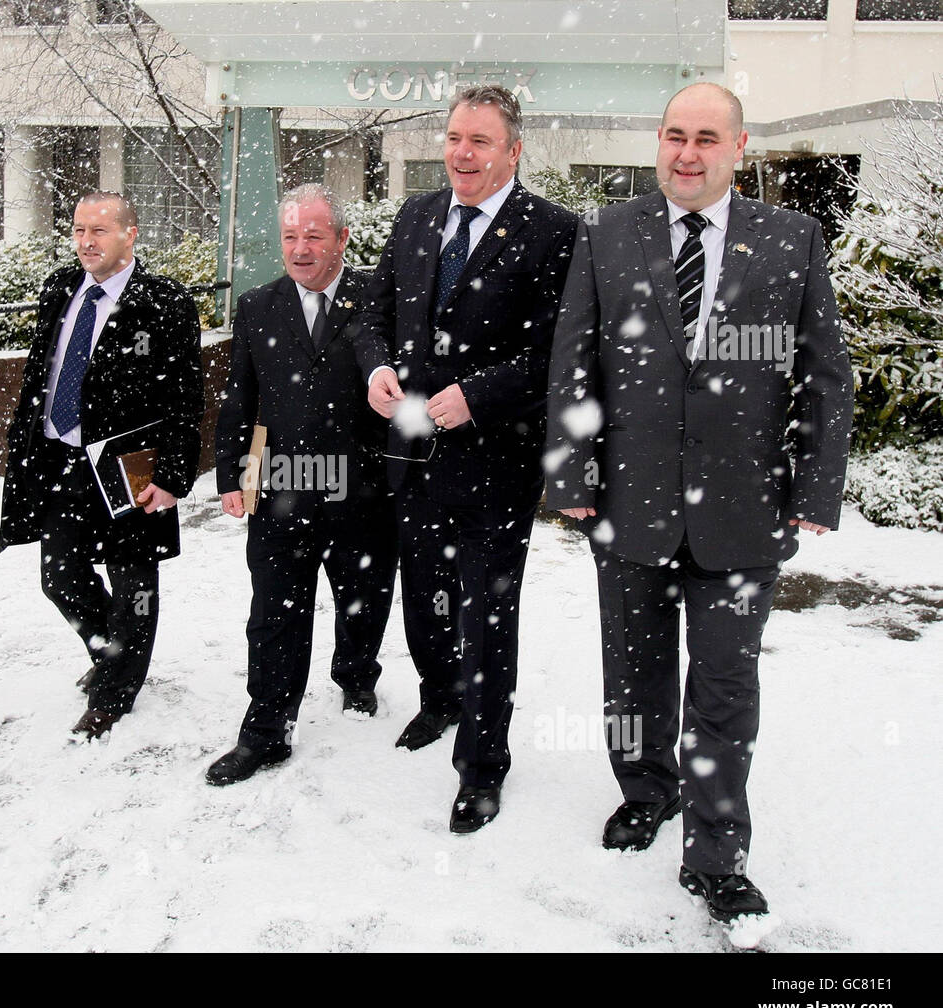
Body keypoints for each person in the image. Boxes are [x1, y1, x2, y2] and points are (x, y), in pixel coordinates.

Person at [544, 83, 854, 925]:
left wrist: (816, 486)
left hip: (743, 509)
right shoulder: (608, 232)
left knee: (724, 682)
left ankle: (718, 854)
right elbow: (573, 362)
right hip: (629, 501)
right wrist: (569, 477)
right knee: (633, 672)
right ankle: (646, 791)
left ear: (738, 147)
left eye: (707, 138)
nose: (688, 152)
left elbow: (825, 375)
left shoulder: (793, 238)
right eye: (675, 135)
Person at [358, 85, 578, 832]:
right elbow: (372, 315)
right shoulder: (418, 216)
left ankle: (482, 766)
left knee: (486, 617)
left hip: (494, 466)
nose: (462, 152)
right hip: (411, 455)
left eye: (480, 141)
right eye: (455, 136)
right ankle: (439, 699)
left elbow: (558, 351)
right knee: (425, 602)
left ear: (512, 151)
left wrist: (478, 394)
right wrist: (376, 367)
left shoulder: (553, 231)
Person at [208, 184, 398, 785]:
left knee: (362, 602)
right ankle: (266, 729)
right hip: (282, 489)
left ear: (342, 238)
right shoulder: (258, 306)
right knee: (272, 616)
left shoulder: (377, 301)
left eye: (314, 235)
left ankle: (356, 678)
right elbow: (241, 397)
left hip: (362, 493)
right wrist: (236, 474)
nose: (301, 248)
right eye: (291, 237)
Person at [0, 191, 203, 740]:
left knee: (134, 578)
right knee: (59, 576)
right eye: (79, 229)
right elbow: (43, 371)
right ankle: (115, 649)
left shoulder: (166, 303)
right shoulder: (60, 289)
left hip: (132, 463)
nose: (87, 241)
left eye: (100, 230)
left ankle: (116, 690)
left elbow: (187, 399)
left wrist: (172, 477)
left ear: (130, 234)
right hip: (60, 457)